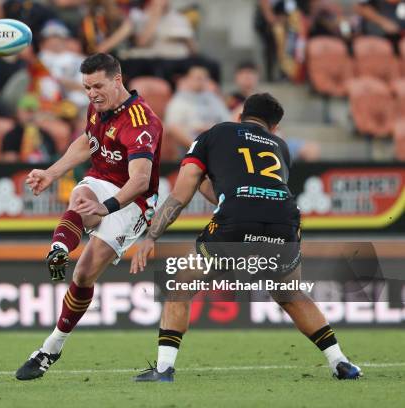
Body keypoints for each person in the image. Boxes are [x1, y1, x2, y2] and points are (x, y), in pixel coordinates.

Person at [130, 93, 361, 382]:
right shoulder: (280, 146)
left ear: (240, 114)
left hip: (236, 217)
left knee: (180, 287)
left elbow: (181, 193)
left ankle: (163, 369)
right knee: (290, 294)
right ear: (273, 127)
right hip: (286, 218)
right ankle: (340, 362)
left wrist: (151, 236)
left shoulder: (215, 133)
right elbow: (260, 189)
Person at [15, 53, 163, 380]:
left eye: (97, 86)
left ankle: (52, 346)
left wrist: (106, 208)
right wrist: (52, 173)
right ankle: (59, 249)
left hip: (133, 199)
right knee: (80, 196)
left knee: (83, 275)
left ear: (117, 80)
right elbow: (88, 142)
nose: (92, 93)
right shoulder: (97, 107)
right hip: (102, 179)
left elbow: (139, 180)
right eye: (86, 87)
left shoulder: (141, 123)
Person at [163, 63, 231, 160]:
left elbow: (227, 121)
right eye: (198, 78)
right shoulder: (178, 100)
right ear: (188, 79)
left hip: (215, 144)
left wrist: (211, 128)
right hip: (190, 148)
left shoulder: (214, 99)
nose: (202, 81)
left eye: (205, 78)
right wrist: (196, 141)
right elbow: (173, 127)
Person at [2, 94, 56, 163]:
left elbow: (53, 158)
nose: (30, 115)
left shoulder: (46, 135)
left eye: (33, 111)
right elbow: (8, 162)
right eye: (27, 111)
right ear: (18, 112)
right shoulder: (11, 136)